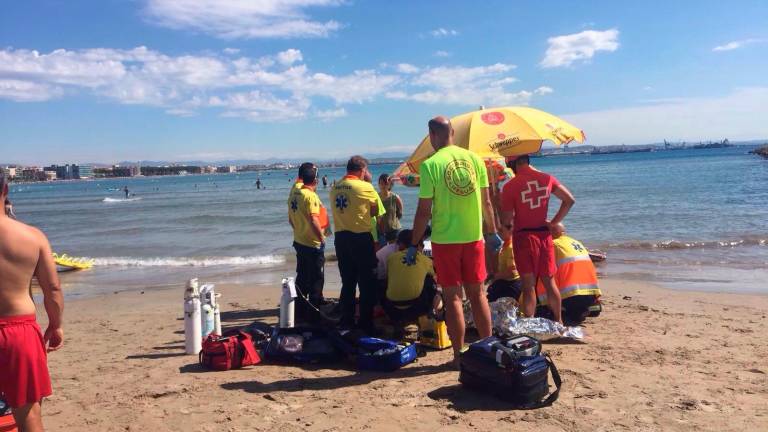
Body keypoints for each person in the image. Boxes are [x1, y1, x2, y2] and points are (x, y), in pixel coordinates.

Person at [409, 116, 500, 365]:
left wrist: (414, 242)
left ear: (432, 134)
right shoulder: (475, 160)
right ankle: (489, 349)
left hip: (445, 240)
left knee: (453, 297)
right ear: (452, 132)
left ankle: (459, 356)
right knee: (479, 293)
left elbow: (423, 211)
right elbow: (487, 203)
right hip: (474, 238)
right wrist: (491, 233)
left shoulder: (430, 165)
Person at [0, 170, 63, 431]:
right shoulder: (32, 236)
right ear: (5, 189)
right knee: (29, 414)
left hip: (18, 330)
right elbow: (53, 289)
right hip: (18, 332)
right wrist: (56, 325)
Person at [500, 154, 575, 323]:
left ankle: (530, 322)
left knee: (528, 285)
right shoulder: (547, 178)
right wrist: (554, 223)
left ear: (513, 164)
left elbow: (506, 221)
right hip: (544, 236)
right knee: (550, 282)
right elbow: (569, 200)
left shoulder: (511, 186)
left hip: (524, 238)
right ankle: (559, 321)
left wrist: (499, 206)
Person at [330, 156, 384, 333]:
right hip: (361, 238)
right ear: (362, 170)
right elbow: (376, 212)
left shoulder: (334, 187)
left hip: (341, 239)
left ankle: (347, 320)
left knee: (348, 282)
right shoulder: (365, 187)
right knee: (367, 282)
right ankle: (365, 323)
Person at [534, 222, 602, 323]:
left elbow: (540, 273)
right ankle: (590, 308)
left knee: (540, 310)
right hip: (591, 294)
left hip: (572, 296)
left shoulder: (552, 245)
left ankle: (570, 313)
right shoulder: (577, 243)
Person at [288, 163, 326, 323]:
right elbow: (313, 219)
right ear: (316, 180)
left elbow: (290, 218)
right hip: (312, 243)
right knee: (317, 277)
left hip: (299, 240)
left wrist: (299, 229)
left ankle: (299, 308)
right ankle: (314, 311)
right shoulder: (310, 196)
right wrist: (322, 238)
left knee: (302, 276)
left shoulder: (294, 193)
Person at [382, 230, 441, 328]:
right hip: (416, 308)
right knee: (430, 281)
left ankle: (397, 320)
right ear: (418, 245)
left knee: (388, 280)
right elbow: (435, 279)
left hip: (392, 308)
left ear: (401, 244)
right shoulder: (426, 260)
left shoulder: (391, 258)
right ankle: (429, 314)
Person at [486, 223, 522, 302]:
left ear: (511, 231)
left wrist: (495, 276)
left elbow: (512, 272)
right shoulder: (504, 245)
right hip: (504, 281)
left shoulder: (510, 248)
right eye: (499, 230)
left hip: (511, 284)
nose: (499, 233)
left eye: (501, 231)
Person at [377, 173, 403, 247]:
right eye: (381, 183)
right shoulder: (375, 197)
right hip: (381, 231)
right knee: (382, 254)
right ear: (378, 184)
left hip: (394, 230)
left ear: (390, 184)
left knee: (394, 253)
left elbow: (400, 214)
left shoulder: (395, 198)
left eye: (386, 183)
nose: (383, 186)